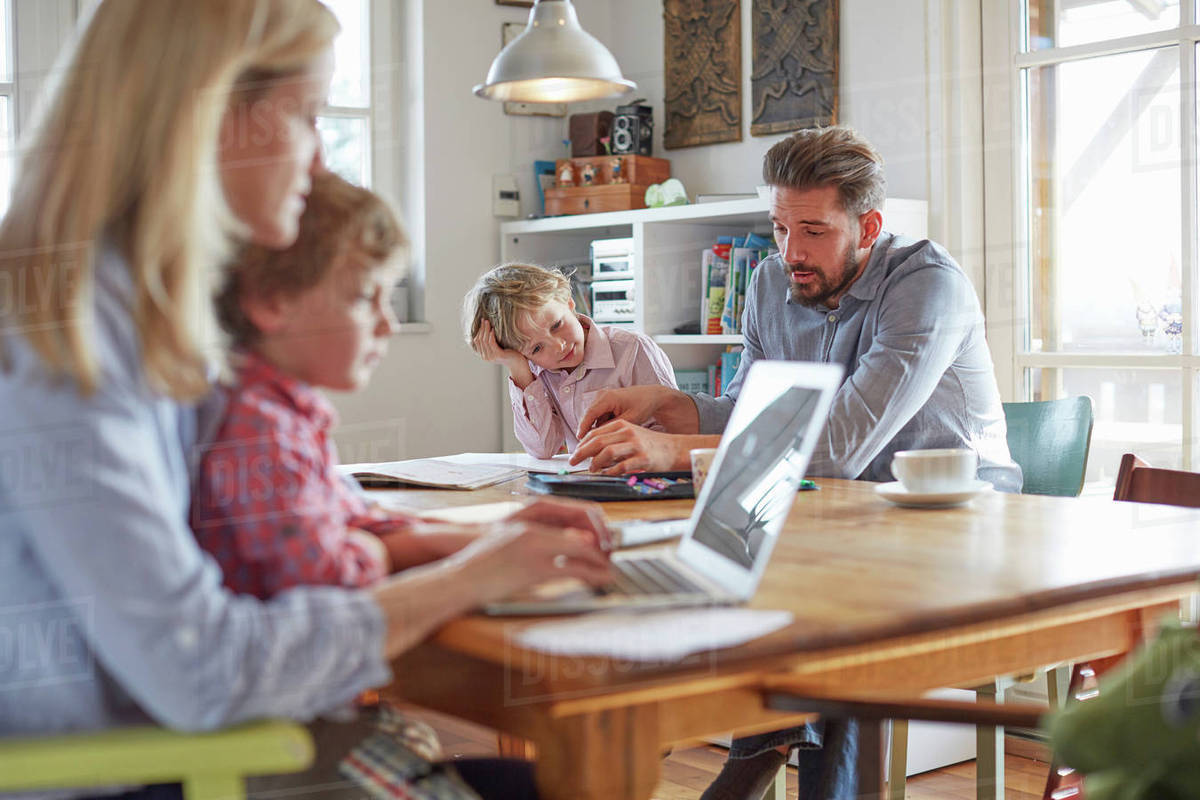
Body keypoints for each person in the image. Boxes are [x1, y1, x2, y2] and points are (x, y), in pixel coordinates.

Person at [0, 4, 609, 800]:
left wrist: (470, 543)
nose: (320, 159)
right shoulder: (65, 344)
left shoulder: (148, 314)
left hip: (194, 749)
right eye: (306, 116)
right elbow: (202, 670)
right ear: (210, 115)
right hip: (146, 772)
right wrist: (467, 577)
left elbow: (290, 528)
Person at [568, 125, 1022, 799]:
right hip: (842, 515)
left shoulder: (927, 284)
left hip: (960, 523)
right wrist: (669, 405)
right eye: (780, 228)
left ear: (869, 227)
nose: (791, 252)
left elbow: (841, 448)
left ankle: (752, 763)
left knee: (833, 608)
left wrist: (673, 450)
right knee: (703, 558)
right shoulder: (768, 284)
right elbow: (750, 409)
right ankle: (720, 742)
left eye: (814, 231)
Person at [463, 262, 678, 459]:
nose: (558, 346)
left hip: (647, 475)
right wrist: (517, 367)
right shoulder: (535, 371)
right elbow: (543, 449)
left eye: (556, 325)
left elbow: (676, 424)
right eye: (537, 348)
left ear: (569, 303)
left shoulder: (633, 349)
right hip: (588, 480)